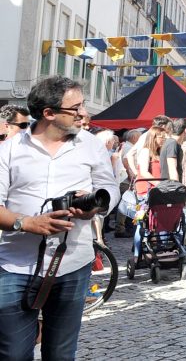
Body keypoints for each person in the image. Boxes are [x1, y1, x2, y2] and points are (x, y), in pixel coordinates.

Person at [0, 77, 119, 360]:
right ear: (49, 113)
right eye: (75, 108)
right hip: (16, 264)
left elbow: (110, 188)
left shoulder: (91, 145)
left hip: (72, 262)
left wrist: (95, 206)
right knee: (13, 354)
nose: (84, 114)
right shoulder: (10, 149)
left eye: (83, 106)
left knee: (61, 353)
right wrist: (27, 223)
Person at [159, 118, 186, 182]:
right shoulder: (172, 143)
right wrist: (176, 187)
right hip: (170, 186)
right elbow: (172, 168)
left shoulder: (170, 142)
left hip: (168, 185)